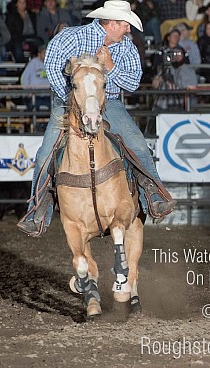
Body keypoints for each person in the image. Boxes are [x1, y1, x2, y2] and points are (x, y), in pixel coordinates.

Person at [17, 0, 176, 236]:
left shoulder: (126, 47)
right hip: (70, 102)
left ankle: (153, 196)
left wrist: (111, 68)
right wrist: (76, 100)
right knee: (46, 152)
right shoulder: (72, 37)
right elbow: (51, 64)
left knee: (137, 142)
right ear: (112, 23)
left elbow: (132, 83)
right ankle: (37, 211)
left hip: (109, 102)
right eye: (125, 24)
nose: (128, 30)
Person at [20, 44, 50, 111]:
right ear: (39, 54)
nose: (46, 55)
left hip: (47, 94)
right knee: (34, 106)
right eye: (44, 53)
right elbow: (24, 78)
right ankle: (35, 121)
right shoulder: (33, 62)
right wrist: (27, 91)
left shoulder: (51, 64)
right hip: (34, 94)